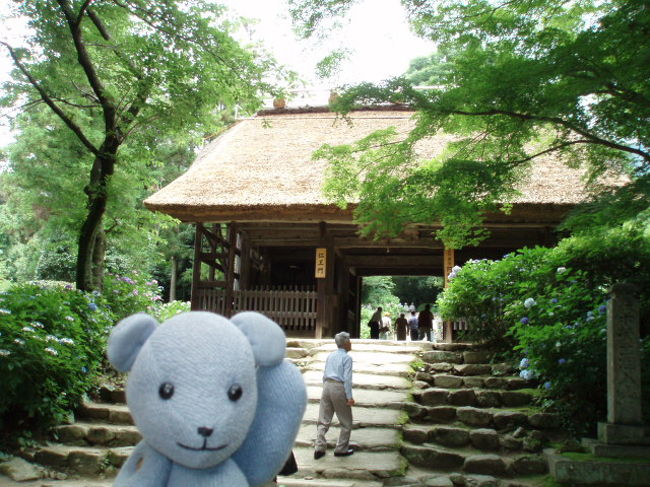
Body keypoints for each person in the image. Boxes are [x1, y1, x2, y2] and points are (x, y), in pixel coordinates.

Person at [314, 332, 355, 459]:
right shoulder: (347, 358)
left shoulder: (331, 355)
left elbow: (325, 372)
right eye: (349, 340)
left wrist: (325, 387)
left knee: (324, 418)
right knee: (346, 421)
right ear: (346, 343)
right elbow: (347, 379)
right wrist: (349, 397)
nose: (351, 343)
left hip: (327, 385)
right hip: (338, 387)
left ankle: (319, 447)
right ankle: (341, 448)